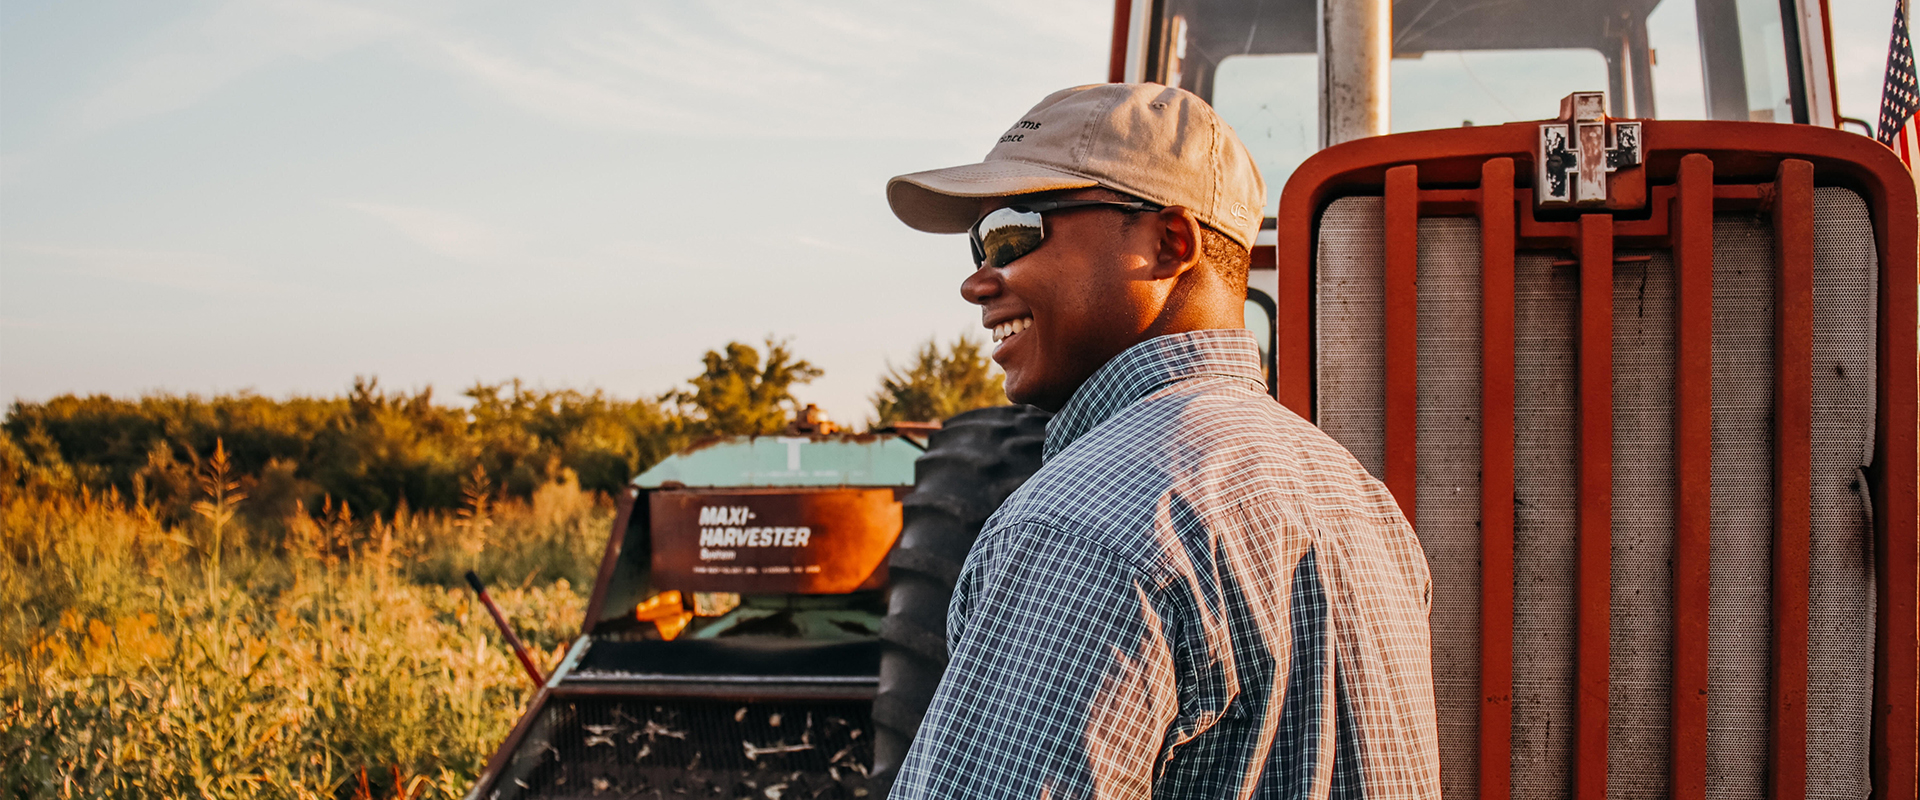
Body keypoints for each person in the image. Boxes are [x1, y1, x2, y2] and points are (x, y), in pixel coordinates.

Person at [881, 83, 1441, 798]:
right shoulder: (1354, 494)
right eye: (979, 241)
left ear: (1170, 243)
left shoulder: (1082, 526)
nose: (977, 281)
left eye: (1014, 231)